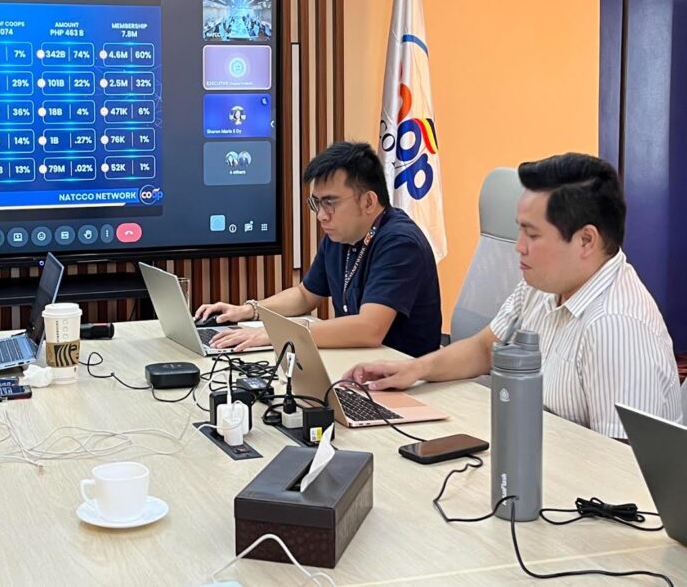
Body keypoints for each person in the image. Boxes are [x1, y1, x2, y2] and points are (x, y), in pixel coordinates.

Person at [346, 153, 683, 439]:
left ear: (586, 241)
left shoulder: (616, 327)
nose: (518, 247)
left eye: (532, 235)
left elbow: (625, 471)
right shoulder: (543, 283)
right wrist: (412, 369)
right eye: (520, 230)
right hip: (531, 456)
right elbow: (485, 349)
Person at [196, 140, 442, 356]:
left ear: (368, 201)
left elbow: (369, 329)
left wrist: (278, 333)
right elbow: (305, 295)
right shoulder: (341, 236)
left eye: (330, 203)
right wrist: (249, 310)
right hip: (360, 365)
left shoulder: (400, 243)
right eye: (317, 204)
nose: (321, 216)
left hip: (407, 375)